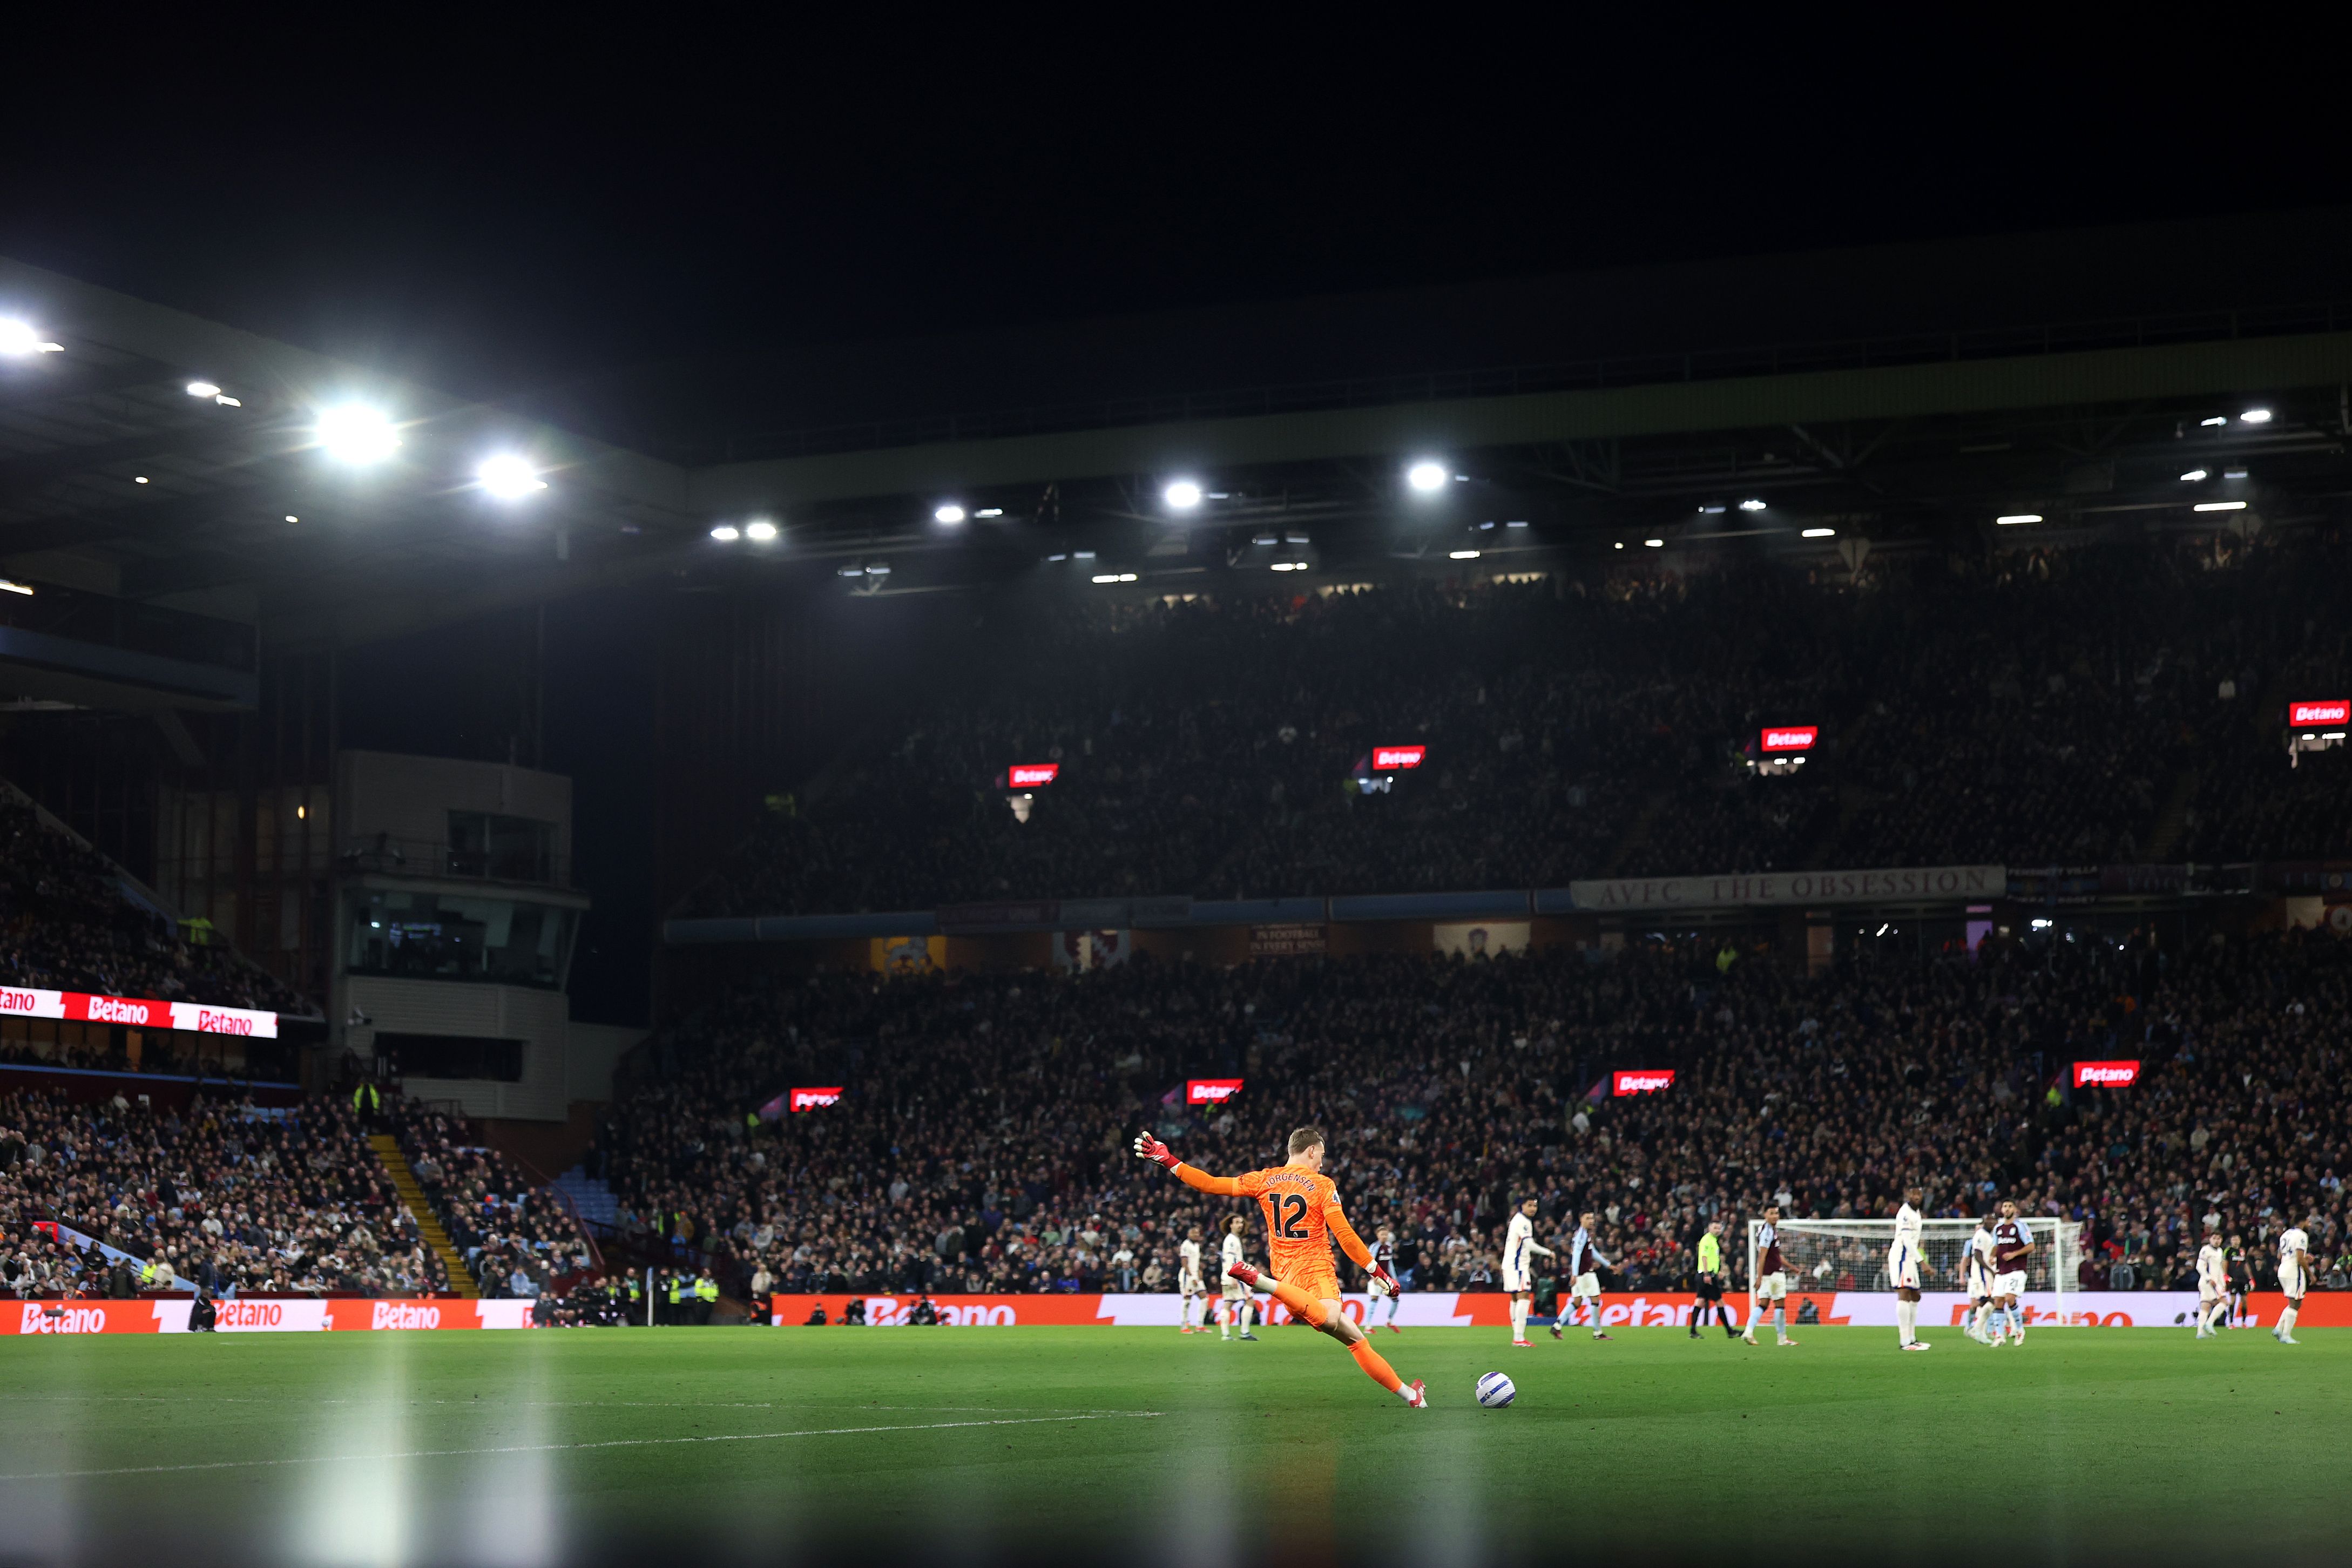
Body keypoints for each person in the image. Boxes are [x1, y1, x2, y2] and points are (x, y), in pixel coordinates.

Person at [1135, 1126, 1424, 1407]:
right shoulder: (1323, 1185)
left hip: (1286, 1276)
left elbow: (1209, 1184)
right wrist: (1377, 1272)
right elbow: (1345, 1235)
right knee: (1330, 1318)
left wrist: (1170, 1161)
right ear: (1311, 1151)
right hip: (1314, 1268)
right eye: (1322, 1156)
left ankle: (1410, 1396)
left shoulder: (1265, 1179)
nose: (1322, 1163)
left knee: (1357, 1341)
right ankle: (1259, 1281)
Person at [1550, 1211, 1612, 1342]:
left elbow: (1592, 1252)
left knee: (1577, 1302)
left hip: (1580, 1274)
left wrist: (1608, 1265)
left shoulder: (1584, 1234)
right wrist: (1574, 1273)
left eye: (1592, 1218)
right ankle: (1598, 1332)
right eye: (1588, 1218)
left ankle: (1557, 1326)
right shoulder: (1581, 1235)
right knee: (1595, 1300)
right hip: (1585, 1274)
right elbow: (1577, 1254)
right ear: (1581, 1219)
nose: (1591, 1221)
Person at [1502, 1197, 1554, 1348]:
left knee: (1515, 1299)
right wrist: (1548, 1252)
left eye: (1535, 1206)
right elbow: (1529, 1245)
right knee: (1524, 1297)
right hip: (1518, 1266)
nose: (1533, 1209)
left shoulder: (1516, 1219)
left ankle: (1517, 1336)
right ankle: (1519, 1337)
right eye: (1529, 1205)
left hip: (1509, 1264)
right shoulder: (1524, 1221)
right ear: (1522, 1206)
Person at [1742, 1204, 1796, 1347]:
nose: (1775, 1216)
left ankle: (1748, 1332)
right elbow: (1763, 1255)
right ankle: (1782, 1339)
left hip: (1767, 1274)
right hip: (1774, 1274)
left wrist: (1791, 1267)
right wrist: (1759, 1277)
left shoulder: (1765, 1230)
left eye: (1777, 1213)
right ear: (1765, 1214)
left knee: (1763, 1304)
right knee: (1780, 1305)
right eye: (1771, 1213)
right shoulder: (1767, 1231)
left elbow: (1775, 1255)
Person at [1889, 1186, 1932, 1351]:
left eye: (1919, 1194)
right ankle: (1904, 1341)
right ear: (1908, 1195)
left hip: (1910, 1258)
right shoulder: (1905, 1213)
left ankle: (1912, 1338)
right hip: (1901, 1256)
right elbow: (1906, 1241)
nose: (1917, 1197)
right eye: (1913, 1194)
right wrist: (1923, 1262)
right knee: (1904, 1292)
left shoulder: (1917, 1212)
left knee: (1915, 1295)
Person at [1990, 1199, 2034, 1346]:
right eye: (2005, 1206)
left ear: (2015, 1209)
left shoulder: (2020, 1226)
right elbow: (1996, 1246)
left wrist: (2014, 1254)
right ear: (2002, 1210)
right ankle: (2000, 1336)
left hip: (2017, 1269)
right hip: (2001, 1270)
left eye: (2010, 1206)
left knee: (2009, 1298)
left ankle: (2020, 1330)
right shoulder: (1998, 1228)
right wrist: (1991, 1256)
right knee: (1998, 1301)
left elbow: (2031, 1246)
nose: (2007, 1209)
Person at [2273, 1214, 2313, 1346]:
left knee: (2294, 1302)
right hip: (2294, 1271)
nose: (2310, 1224)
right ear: (2303, 1221)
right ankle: (2286, 1335)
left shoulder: (2285, 1234)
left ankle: (2279, 1328)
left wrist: (2304, 1257)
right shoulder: (2302, 1235)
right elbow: (2299, 1259)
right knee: (2296, 1303)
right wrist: (2311, 1274)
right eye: (2308, 1221)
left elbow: (2280, 1255)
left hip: (2283, 1269)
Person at [1691, 1218, 1734, 1339]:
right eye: (1715, 1228)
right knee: (1720, 1302)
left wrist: (1718, 1271)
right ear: (1709, 1228)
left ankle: (1693, 1331)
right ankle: (1730, 1331)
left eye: (1719, 1228)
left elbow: (1712, 1259)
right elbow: (1704, 1257)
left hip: (1708, 1274)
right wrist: (1707, 1274)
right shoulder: (1707, 1240)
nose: (1718, 1230)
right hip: (1707, 1276)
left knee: (1700, 1301)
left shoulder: (1714, 1241)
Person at [1218, 1215, 1258, 1341]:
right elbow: (1231, 1259)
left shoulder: (1232, 1239)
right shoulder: (1231, 1240)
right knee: (1250, 1301)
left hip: (1226, 1275)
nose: (1240, 1225)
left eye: (1241, 1222)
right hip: (1234, 1275)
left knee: (1228, 1303)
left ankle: (1225, 1335)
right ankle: (1245, 1332)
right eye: (1237, 1223)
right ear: (1230, 1225)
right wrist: (1234, 1277)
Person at [1965, 1215, 1999, 1344]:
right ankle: (1975, 1329)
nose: (1991, 1222)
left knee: (1984, 1303)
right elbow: (1978, 1256)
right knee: (1993, 1300)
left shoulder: (1989, 1236)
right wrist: (1990, 1270)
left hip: (1986, 1275)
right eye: (1989, 1220)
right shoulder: (1980, 1234)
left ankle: (1981, 1333)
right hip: (1982, 1275)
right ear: (1984, 1221)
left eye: (1994, 1221)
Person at [1367, 1226, 1403, 1334]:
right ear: (1378, 1235)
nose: (1384, 1237)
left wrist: (1394, 1277)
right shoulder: (1375, 1247)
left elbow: (1390, 1263)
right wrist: (1373, 1276)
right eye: (1382, 1234)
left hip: (1386, 1279)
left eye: (1386, 1235)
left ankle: (1390, 1322)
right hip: (1376, 1278)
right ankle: (1368, 1326)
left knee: (1396, 1300)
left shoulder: (1389, 1247)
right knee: (1374, 1299)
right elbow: (1369, 1261)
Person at [2194, 1228, 2229, 1339]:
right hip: (2208, 1282)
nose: (2217, 1241)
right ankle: (2209, 1323)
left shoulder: (2220, 1251)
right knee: (2224, 1302)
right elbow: (2199, 1266)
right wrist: (2208, 1278)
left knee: (2206, 1306)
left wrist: (2223, 1283)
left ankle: (2200, 1333)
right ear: (2210, 1239)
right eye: (2214, 1238)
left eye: (2219, 1239)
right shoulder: (2206, 1250)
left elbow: (2219, 1269)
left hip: (2214, 1282)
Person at [1178, 1225, 1206, 1334]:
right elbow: (1184, 1263)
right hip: (1188, 1276)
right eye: (1194, 1233)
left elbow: (1196, 1262)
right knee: (1187, 1300)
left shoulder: (1197, 1245)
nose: (1196, 1235)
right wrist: (1192, 1276)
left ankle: (1200, 1326)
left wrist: (1199, 1272)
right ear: (1188, 1234)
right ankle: (1184, 1326)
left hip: (1196, 1275)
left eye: (1198, 1233)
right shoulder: (1186, 1245)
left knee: (1205, 1299)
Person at [2225, 1233, 2254, 1330]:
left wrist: (2250, 1278)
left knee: (2245, 1301)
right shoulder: (2228, 1251)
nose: (2236, 1241)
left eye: (2237, 1239)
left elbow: (2245, 1265)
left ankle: (2244, 1323)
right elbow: (2224, 1262)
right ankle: (2231, 1323)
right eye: (2234, 1239)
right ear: (2231, 1241)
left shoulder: (2242, 1251)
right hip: (2233, 1279)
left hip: (2243, 1280)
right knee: (2233, 1301)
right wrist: (2225, 1275)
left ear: (2240, 1241)